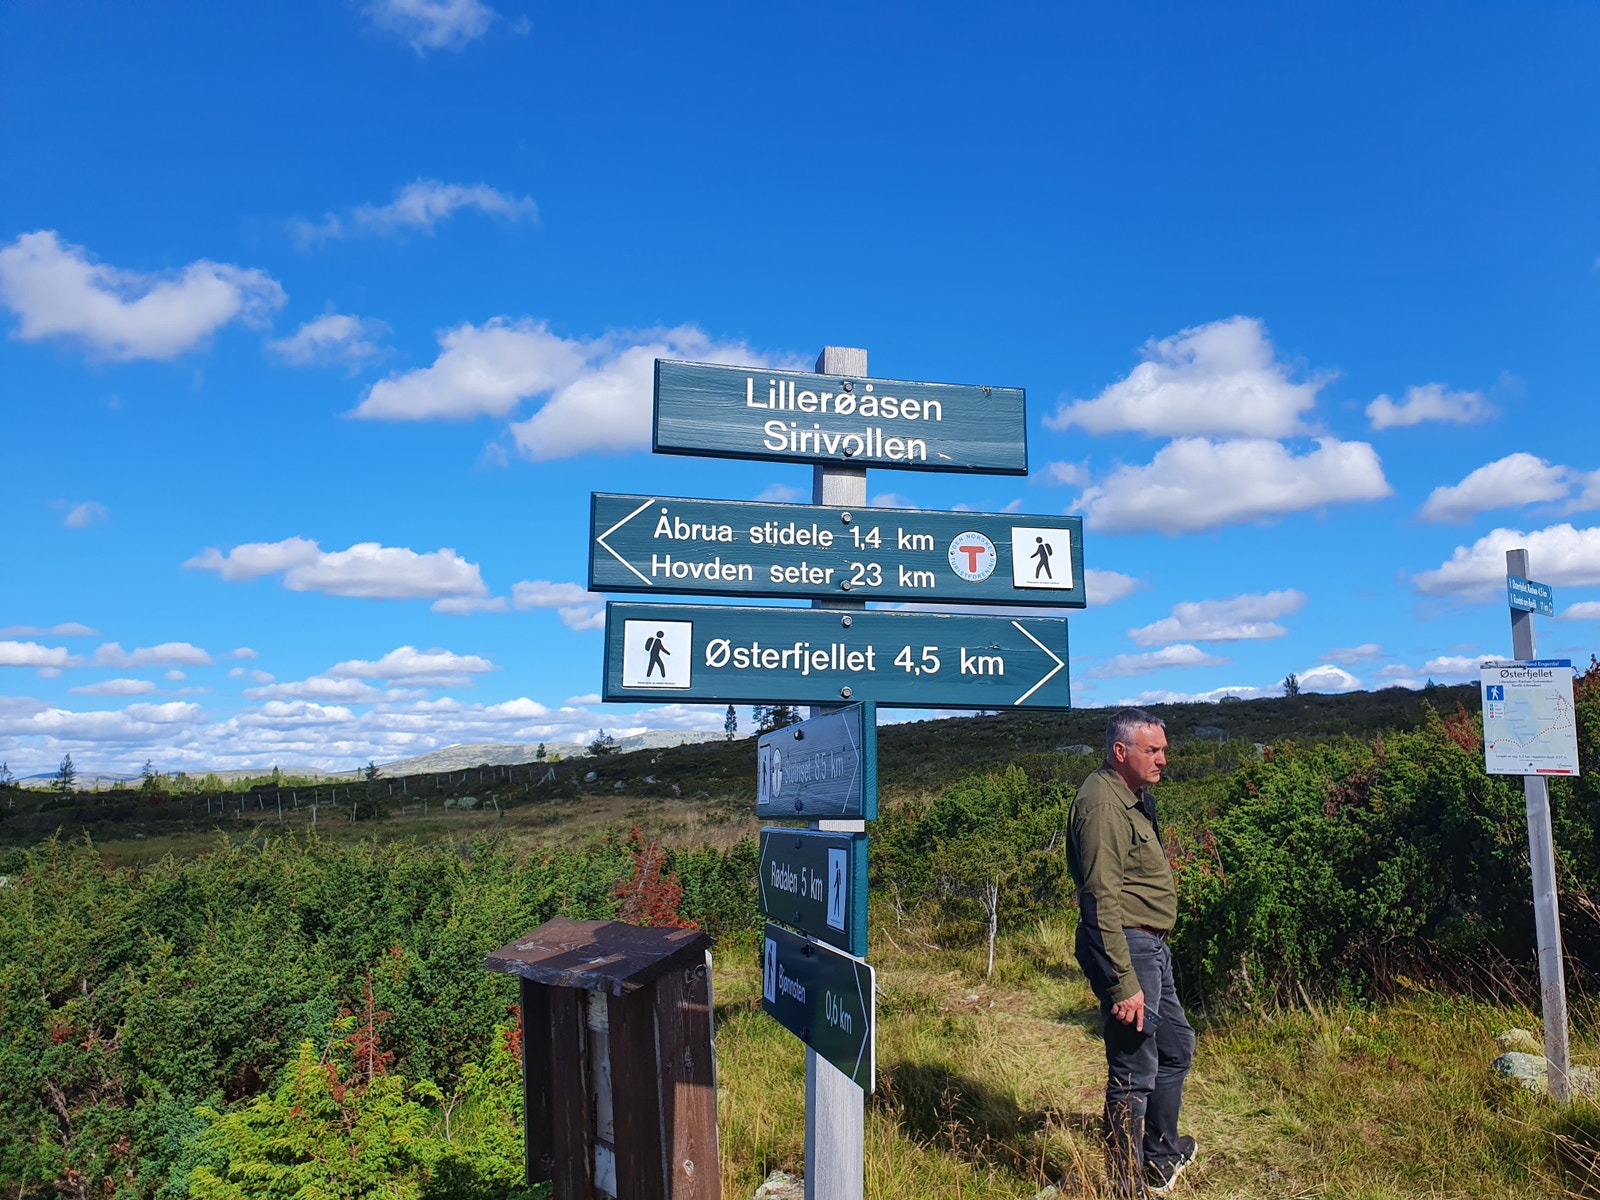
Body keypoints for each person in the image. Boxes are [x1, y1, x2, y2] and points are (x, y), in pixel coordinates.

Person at [1068, 708, 1197, 1196]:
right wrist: (1123, 982)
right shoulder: (1102, 806)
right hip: (1128, 946)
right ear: (1120, 752)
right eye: (1153, 750)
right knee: (1134, 1069)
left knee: (1176, 1046)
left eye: (1164, 749)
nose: (1163, 759)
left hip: (1149, 947)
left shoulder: (1134, 798)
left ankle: (1160, 1157)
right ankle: (1125, 1186)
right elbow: (1099, 898)